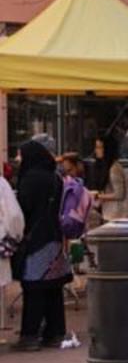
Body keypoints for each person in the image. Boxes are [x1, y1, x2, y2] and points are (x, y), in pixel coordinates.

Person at [11, 139, 69, 350]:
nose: (18, 159)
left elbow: (22, 209)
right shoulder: (55, 178)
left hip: (35, 240)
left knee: (33, 287)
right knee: (53, 287)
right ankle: (54, 333)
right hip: (53, 237)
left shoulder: (30, 179)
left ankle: (30, 335)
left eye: (20, 155)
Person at [85, 136, 128, 222]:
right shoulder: (104, 167)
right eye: (96, 147)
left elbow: (119, 194)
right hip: (109, 212)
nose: (96, 151)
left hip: (118, 214)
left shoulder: (114, 168)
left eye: (100, 147)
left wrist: (98, 196)